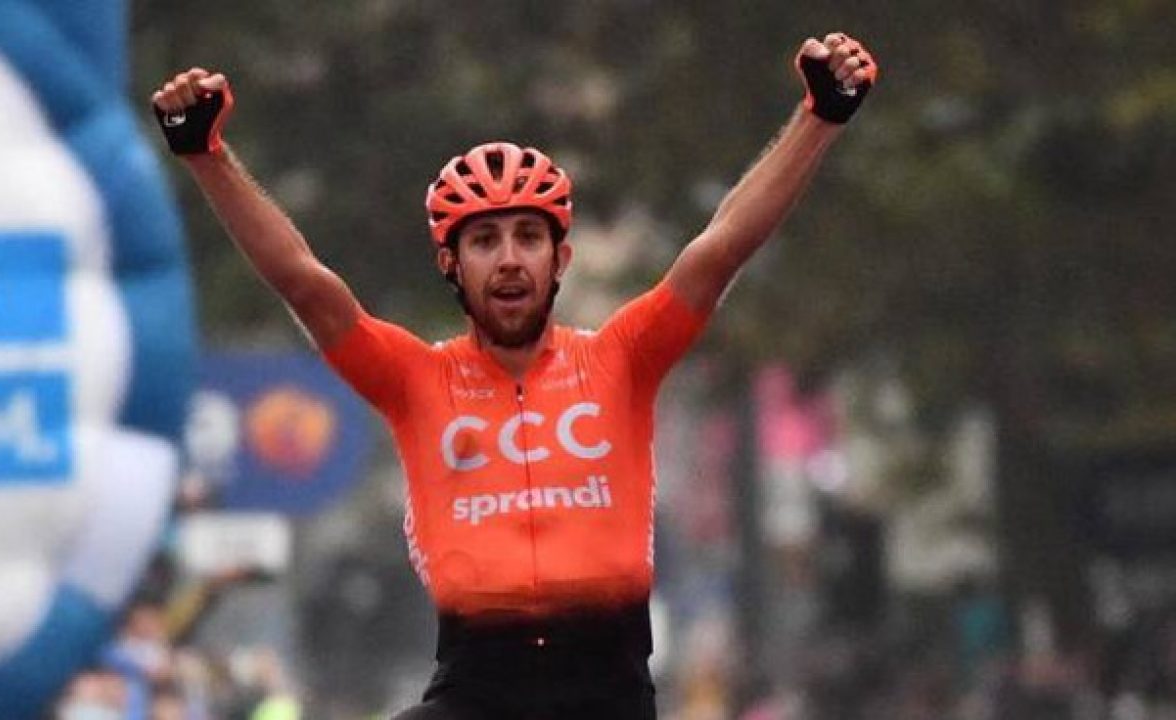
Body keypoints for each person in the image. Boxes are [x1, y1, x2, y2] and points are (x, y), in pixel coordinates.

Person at [150, 30, 877, 720]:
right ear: (451, 265)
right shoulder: (414, 380)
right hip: (474, 693)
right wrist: (205, 153)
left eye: (529, 237)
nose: (508, 259)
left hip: (608, 697)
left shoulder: (622, 358)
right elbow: (306, 285)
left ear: (560, 260)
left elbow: (719, 252)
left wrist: (820, 115)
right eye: (484, 240)